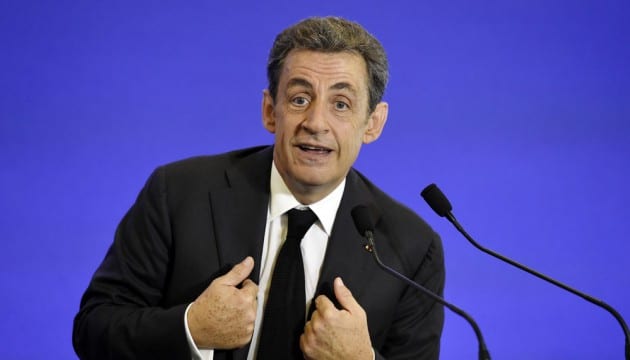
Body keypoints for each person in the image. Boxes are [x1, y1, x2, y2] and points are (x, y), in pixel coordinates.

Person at [73, 16, 445, 360]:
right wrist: (191, 328)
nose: (316, 122)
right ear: (270, 111)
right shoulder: (179, 194)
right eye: (300, 99)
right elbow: (94, 328)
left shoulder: (410, 248)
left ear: (373, 123)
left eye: (341, 104)